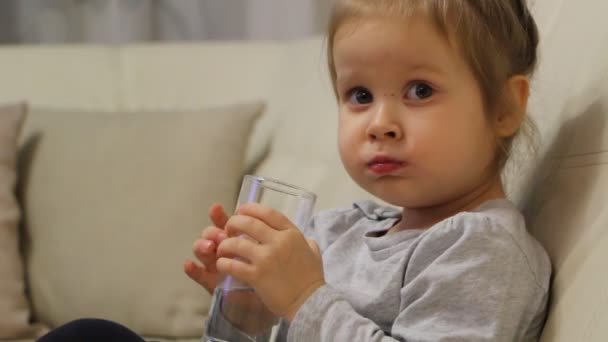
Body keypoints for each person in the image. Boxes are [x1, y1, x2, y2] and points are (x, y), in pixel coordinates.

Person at [39, 0, 550, 341]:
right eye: (359, 95)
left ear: (504, 106)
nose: (380, 123)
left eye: (419, 90)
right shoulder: (342, 228)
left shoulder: (481, 248)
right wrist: (247, 309)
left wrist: (305, 297)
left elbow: (314, 313)